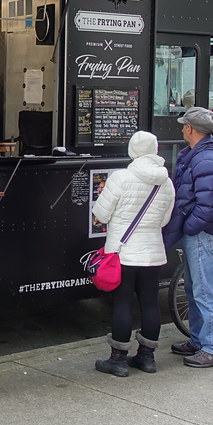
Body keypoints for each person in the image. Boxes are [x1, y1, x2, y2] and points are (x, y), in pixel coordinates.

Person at [91, 131, 176, 377]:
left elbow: (101, 213)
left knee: (122, 303)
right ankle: (147, 358)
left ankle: (117, 360)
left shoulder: (121, 177)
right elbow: (164, 220)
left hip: (123, 253)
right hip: (152, 252)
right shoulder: (166, 182)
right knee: (149, 303)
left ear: (132, 150)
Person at [163, 106, 213, 368]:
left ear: (191, 129)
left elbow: (210, 205)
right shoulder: (203, 155)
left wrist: (189, 227)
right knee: (196, 289)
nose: (182, 128)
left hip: (204, 234)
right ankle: (199, 340)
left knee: (205, 291)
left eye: (184, 125)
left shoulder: (206, 160)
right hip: (202, 232)